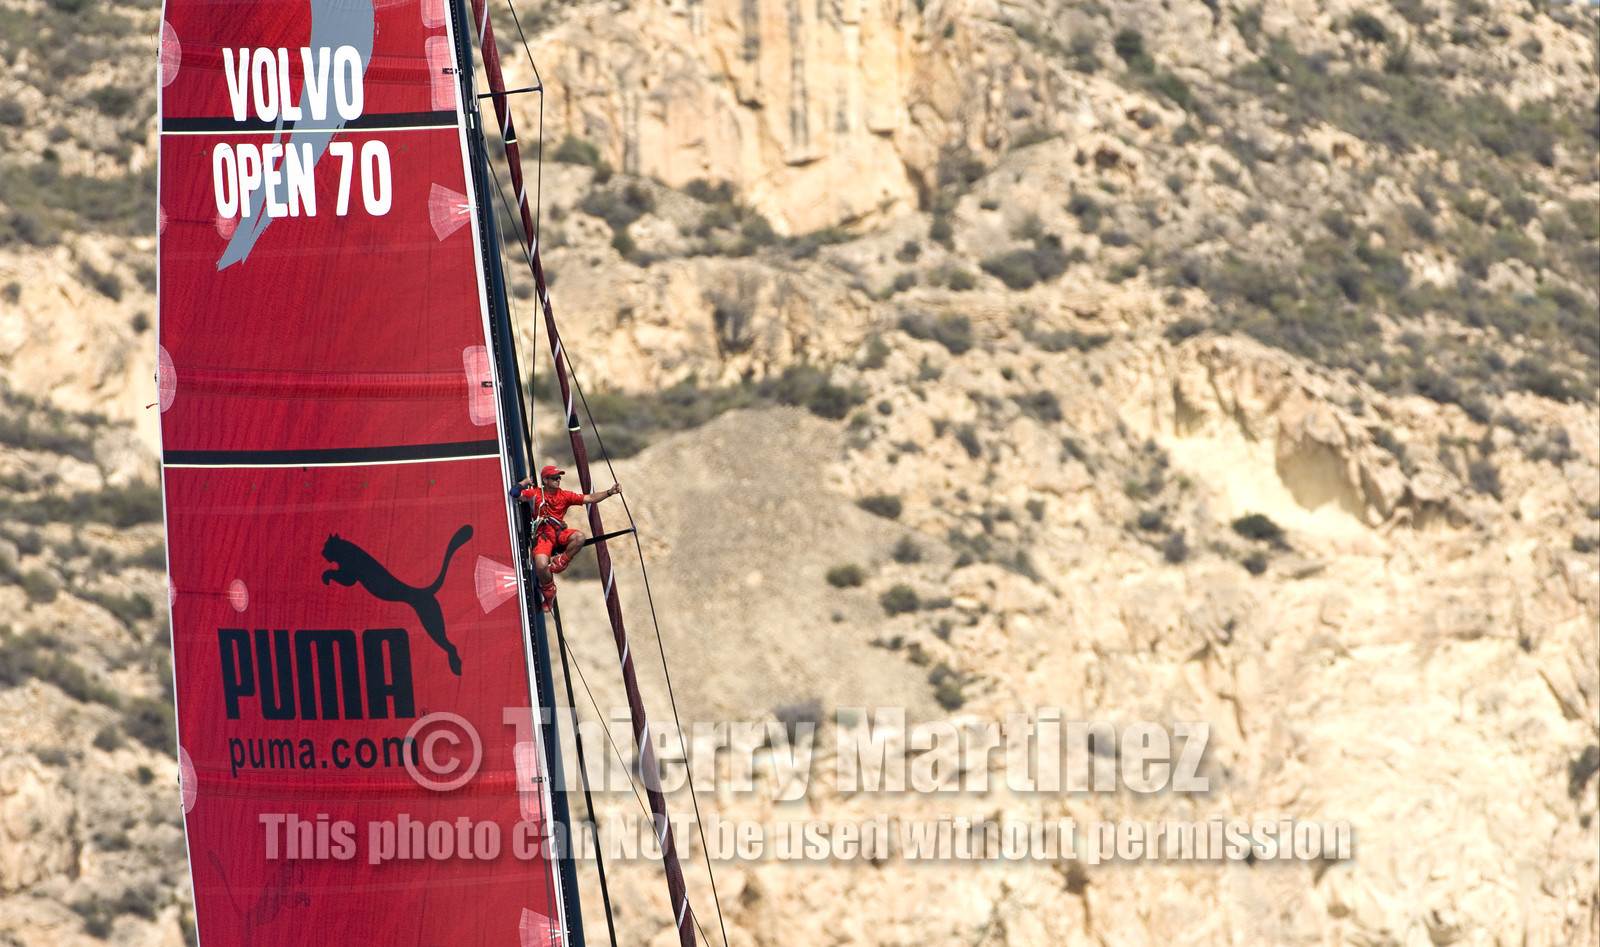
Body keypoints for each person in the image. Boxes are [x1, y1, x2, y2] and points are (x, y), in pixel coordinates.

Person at [510, 465, 621, 609]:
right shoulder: (536, 494)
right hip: (543, 536)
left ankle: (561, 562)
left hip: (558, 533)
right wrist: (525, 482)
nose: (558, 480)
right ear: (545, 480)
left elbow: (590, 498)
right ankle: (549, 594)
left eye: (559, 478)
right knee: (542, 565)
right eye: (555, 478)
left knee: (580, 537)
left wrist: (610, 492)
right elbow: (514, 492)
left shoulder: (565, 495)